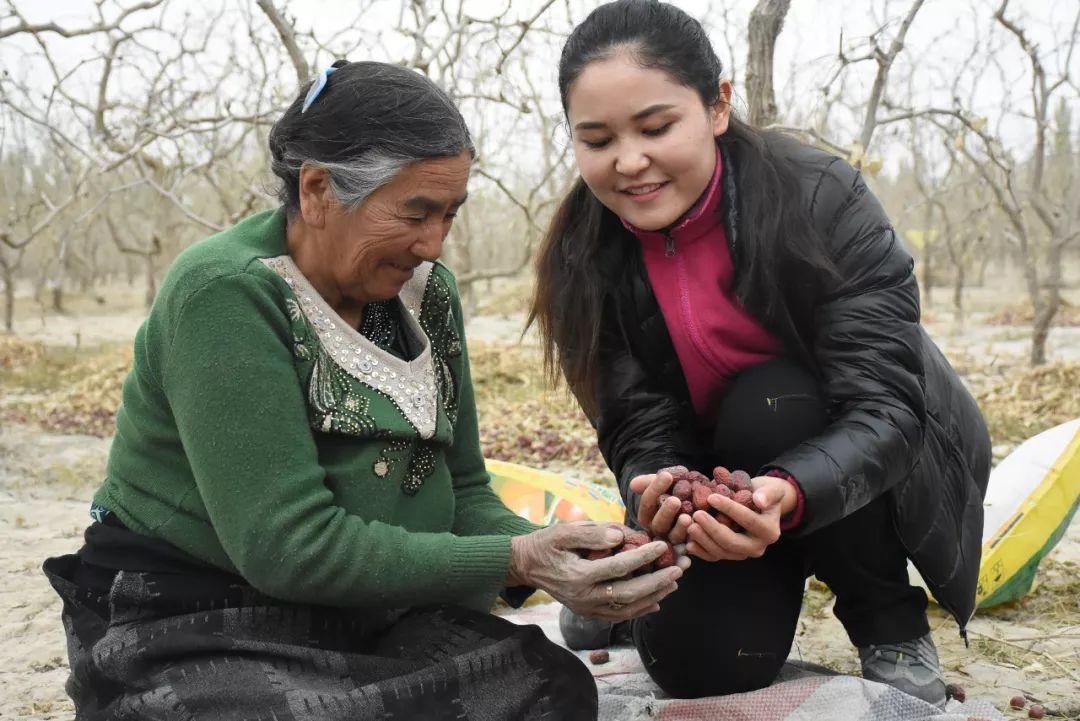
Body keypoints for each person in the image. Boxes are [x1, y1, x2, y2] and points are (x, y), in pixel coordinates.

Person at [42, 59, 686, 721]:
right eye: (415, 212)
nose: (433, 243)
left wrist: (565, 554)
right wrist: (518, 558)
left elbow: (462, 491)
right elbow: (290, 546)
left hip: (356, 612)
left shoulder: (426, 295)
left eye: (450, 214)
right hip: (194, 614)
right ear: (318, 191)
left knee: (548, 683)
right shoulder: (227, 294)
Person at [529, 0, 992, 708]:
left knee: (776, 397)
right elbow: (633, 417)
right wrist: (658, 486)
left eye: (656, 127)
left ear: (717, 105)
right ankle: (629, 579)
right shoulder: (582, 250)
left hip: (848, 456)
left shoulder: (822, 198)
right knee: (702, 670)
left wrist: (789, 492)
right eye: (597, 139)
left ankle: (886, 620)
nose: (629, 161)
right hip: (719, 480)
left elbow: (886, 407)